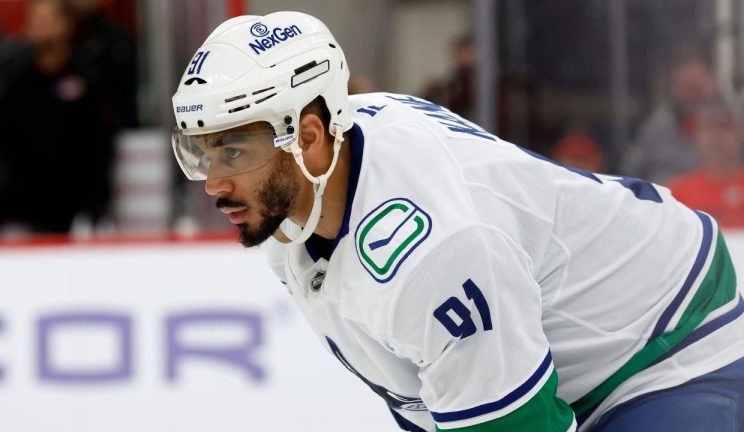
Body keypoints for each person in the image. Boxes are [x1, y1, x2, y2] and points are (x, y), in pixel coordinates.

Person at [171, 12, 744, 431]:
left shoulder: (434, 252)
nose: (213, 184)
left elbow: (514, 427)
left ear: (309, 137)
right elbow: (429, 395)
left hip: (668, 338)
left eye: (234, 152)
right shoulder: (297, 201)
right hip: (572, 342)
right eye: (202, 153)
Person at [0, 0, 111, 235]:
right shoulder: (15, 81)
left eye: (49, 20)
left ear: (67, 24)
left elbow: (100, 147)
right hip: (22, 200)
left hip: (75, 200)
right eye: (37, 21)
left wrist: (94, 207)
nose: (43, 28)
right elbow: (3, 142)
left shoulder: (87, 80)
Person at [625, 54, 719, 184]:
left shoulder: (734, 123)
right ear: (674, 88)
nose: (693, 95)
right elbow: (630, 171)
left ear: (713, 83)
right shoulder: (656, 127)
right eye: (686, 88)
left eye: (697, 87)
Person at [668, 100, 744, 228]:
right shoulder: (678, 193)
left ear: (740, 132)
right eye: (708, 127)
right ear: (696, 135)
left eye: (724, 127)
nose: (716, 136)